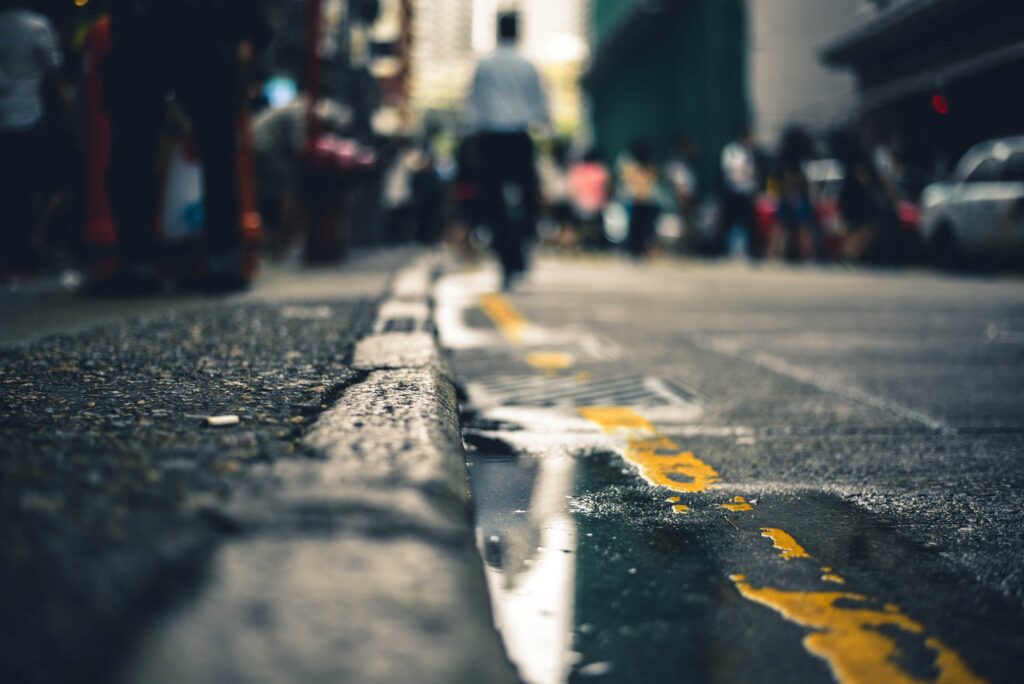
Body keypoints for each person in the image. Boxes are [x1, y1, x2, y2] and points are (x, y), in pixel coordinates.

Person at [103, 0, 268, 293]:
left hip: (156, 24)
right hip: (201, 24)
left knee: (138, 147)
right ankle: (219, 261)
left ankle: (140, 261)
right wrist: (249, 32)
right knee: (213, 149)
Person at [464, 11, 550, 290]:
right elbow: (541, 106)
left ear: (497, 31)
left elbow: (472, 106)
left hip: (490, 140)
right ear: (518, 31)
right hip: (519, 138)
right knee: (528, 200)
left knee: (492, 203)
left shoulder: (484, 65)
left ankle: (505, 259)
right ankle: (521, 254)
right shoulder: (528, 65)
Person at [0, 1, 64, 276]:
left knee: (11, 190)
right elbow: (54, 69)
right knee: (44, 185)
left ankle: (16, 254)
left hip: (5, 119)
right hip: (32, 115)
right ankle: (34, 243)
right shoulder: (36, 26)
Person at [719, 129, 761, 259]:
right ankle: (732, 249)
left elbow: (752, 173)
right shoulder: (730, 151)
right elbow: (730, 170)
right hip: (733, 190)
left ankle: (743, 249)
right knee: (732, 220)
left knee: (745, 221)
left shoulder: (750, 153)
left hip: (746, 191)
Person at [619, 140, 659, 258]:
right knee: (640, 229)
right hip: (641, 202)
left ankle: (641, 250)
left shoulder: (638, 168)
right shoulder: (645, 168)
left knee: (640, 229)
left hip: (642, 202)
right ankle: (637, 250)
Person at [568, 149, 610, 249]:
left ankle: (579, 242)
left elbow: (572, 191)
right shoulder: (601, 172)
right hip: (596, 208)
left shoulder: (577, 171)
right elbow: (606, 190)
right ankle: (596, 243)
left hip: (579, 207)